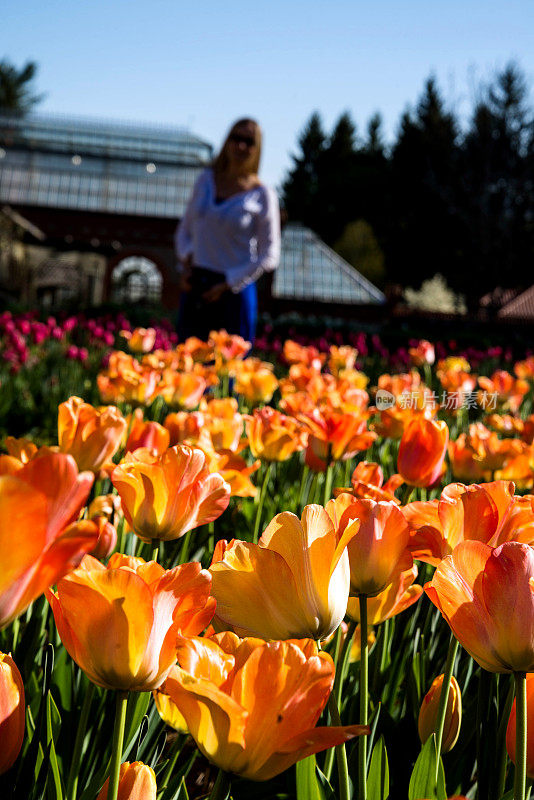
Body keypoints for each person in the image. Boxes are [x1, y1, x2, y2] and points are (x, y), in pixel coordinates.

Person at [174, 118, 281, 343]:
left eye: (249, 141)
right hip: (197, 286)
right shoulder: (205, 181)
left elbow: (270, 254)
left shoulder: (262, 195)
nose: (241, 146)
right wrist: (185, 262)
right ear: (227, 141)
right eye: (236, 138)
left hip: (233, 291)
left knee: (227, 371)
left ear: (257, 149)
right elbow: (184, 231)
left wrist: (229, 283)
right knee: (188, 369)